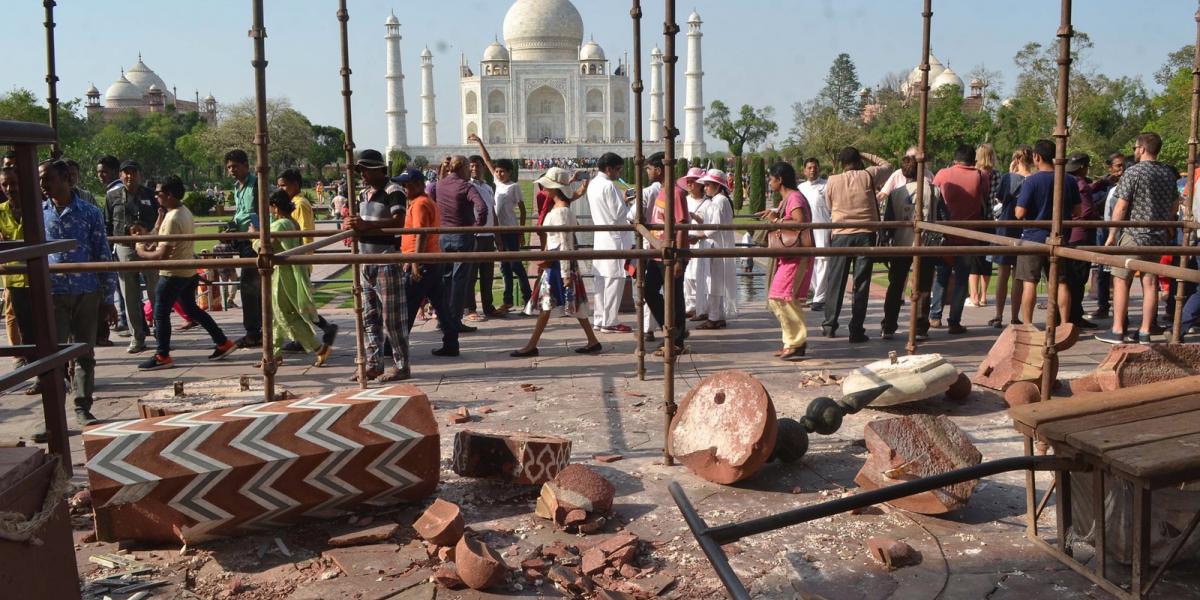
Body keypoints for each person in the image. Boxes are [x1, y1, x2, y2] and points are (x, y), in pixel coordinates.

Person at [38, 159, 119, 442]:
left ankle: (82, 407)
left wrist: (108, 298)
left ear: (66, 180)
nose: (43, 184)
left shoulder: (88, 212)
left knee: (84, 353)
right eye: (40, 179)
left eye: (48, 178)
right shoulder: (38, 213)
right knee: (53, 358)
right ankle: (53, 417)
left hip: (86, 291)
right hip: (53, 293)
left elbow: (102, 253)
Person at [135, 176, 238, 370]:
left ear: (169, 195)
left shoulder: (173, 218)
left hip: (173, 273)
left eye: (158, 193)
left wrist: (141, 250)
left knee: (160, 313)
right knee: (191, 310)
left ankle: (162, 355)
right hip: (187, 270)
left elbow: (162, 254)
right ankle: (222, 342)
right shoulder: (183, 211)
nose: (156, 196)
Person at [1099, 132, 1181, 344]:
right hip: (1157, 236)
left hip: (1134, 234)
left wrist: (1112, 233)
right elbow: (1175, 202)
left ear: (1143, 149)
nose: (1134, 151)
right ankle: (1145, 331)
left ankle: (1117, 329)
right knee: (1150, 282)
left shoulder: (1133, 172)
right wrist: (1169, 222)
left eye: (1136, 148)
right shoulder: (1167, 173)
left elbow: (1122, 204)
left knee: (1120, 279)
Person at [510, 169, 603, 357]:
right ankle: (592, 341)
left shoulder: (560, 211)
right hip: (562, 262)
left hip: (558, 264)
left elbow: (565, 243)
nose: (543, 187)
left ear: (554, 187)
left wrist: (565, 273)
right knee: (572, 303)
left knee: (547, 304)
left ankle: (531, 345)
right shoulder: (562, 206)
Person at [346, 149, 409, 381]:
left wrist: (365, 226)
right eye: (360, 170)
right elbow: (362, 224)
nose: (362, 174)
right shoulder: (364, 194)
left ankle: (402, 365)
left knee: (392, 319)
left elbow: (398, 221)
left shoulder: (394, 191)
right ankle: (374, 363)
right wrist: (355, 225)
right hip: (366, 260)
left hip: (386, 259)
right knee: (369, 317)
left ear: (379, 170)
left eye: (365, 170)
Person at [255, 189, 331, 367]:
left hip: (283, 277)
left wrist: (253, 236)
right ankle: (274, 353)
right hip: (288, 274)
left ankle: (319, 348)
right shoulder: (292, 222)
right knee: (275, 315)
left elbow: (263, 246)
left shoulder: (280, 225)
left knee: (285, 316)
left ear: (274, 207)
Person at [823, 147, 889, 343]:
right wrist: (866, 154)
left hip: (841, 234)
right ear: (858, 160)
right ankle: (856, 329)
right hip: (865, 234)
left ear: (842, 163)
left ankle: (829, 325)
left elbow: (829, 205)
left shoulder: (832, 180)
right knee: (861, 284)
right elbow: (887, 165)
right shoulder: (868, 175)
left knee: (836, 281)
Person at [1015, 139, 1081, 327]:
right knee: (1061, 282)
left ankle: (1028, 324)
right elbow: (1077, 211)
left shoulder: (1032, 181)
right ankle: (1064, 324)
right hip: (1059, 237)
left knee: (1030, 282)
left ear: (1036, 156)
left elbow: (1019, 213)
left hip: (1033, 238)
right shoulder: (1069, 180)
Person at [395, 168, 459, 356]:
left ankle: (395, 347)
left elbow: (421, 234)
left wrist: (414, 262)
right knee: (441, 305)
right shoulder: (422, 201)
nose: (404, 189)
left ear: (417, 184)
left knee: (407, 306)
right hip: (431, 260)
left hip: (422, 262)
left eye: (406, 185)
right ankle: (451, 343)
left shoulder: (421, 204)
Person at [881, 156, 945, 339]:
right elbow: (942, 217)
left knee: (895, 285)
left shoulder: (895, 193)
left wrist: (887, 241)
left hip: (902, 244)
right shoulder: (934, 191)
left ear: (902, 172)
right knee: (923, 287)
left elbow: (889, 223)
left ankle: (889, 325)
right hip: (926, 244)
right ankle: (919, 327)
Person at [276, 168, 338, 352]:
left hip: (298, 259)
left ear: (295, 185)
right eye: (279, 186)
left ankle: (324, 328)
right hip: (295, 258)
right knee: (295, 302)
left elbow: (304, 233)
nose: (281, 189)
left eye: (284, 186)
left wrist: (299, 256)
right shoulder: (291, 203)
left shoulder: (300, 204)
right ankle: (303, 337)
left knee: (298, 302)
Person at [468, 135, 531, 314]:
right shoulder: (495, 183)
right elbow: (487, 160)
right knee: (505, 267)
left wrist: (521, 232)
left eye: (503, 171)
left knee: (516, 266)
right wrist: (480, 142)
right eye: (497, 171)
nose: (499, 173)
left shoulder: (514, 186)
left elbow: (523, 210)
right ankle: (508, 301)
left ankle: (528, 299)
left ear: (509, 172)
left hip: (510, 230)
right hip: (498, 231)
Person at [104, 159, 160, 354]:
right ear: (120, 176)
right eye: (125, 172)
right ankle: (137, 337)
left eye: (133, 172)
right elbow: (108, 224)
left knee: (155, 291)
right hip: (124, 246)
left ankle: (161, 333)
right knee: (129, 295)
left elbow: (159, 218)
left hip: (149, 246)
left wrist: (149, 233)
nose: (129, 176)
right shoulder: (112, 197)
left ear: (139, 174)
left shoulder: (150, 195)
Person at [931, 143, 988, 335]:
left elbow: (934, 198)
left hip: (945, 235)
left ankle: (935, 316)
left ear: (955, 159)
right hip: (969, 235)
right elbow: (985, 199)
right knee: (962, 281)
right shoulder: (981, 176)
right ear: (973, 160)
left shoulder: (942, 174)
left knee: (941, 277)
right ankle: (954, 321)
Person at [761, 162, 813, 359]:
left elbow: (800, 222)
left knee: (783, 297)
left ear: (779, 179)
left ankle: (796, 342)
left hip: (797, 255)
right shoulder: (788, 198)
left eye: (771, 178)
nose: (769, 181)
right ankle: (791, 341)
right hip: (789, 255)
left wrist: (777, 220)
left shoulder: (794, 197)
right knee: (780, 298)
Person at [430, 155, 487, 335]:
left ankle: (443, 319)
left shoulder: (439, 185)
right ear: (461, 167)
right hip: (462, 236)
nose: (470, 171)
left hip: (443, 236)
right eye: (468, 167)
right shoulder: (465, 186)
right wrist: (476, 227)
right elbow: (482, 208)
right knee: (459, 280)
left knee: (445, 279)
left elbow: (431, 204)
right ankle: (454, 320)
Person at [584, 152, 634, 334]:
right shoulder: (609, 186)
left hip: (601, 236)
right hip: (614, 238)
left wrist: (622, 201)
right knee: (614, 280)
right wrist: (627, 203)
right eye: (618, 170)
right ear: (609, 168)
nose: (619, 174)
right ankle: (610, 321)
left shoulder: (593, 184)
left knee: (601, 281)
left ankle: (599, 319)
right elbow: (618, 215)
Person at [645, 165, 691, 355]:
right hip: (658, 252)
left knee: (674, 296)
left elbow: (681, 225)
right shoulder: (662, 192)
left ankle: (676, 340)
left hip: (671, 254)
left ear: (659, 169)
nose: (647, 171)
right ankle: (671, 329)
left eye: (649, 168)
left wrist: (679, 258)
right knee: (649, 290)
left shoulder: (676, 193)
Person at [989, 146, 1034, 328]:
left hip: (1006, 226)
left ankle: (998, 315)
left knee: (1002, 273)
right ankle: (1015, 316)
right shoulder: (1033, 179)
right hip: (1025, 227)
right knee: (1018, 276)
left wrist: (1010, 173)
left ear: (1015, 160)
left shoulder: (1008, 178)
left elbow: (1000, 197)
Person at [225, 149, 263, 348]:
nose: (232, 170)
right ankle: (257, 329)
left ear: (246, 165)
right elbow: (241, 213)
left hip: (255, 240)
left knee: (250, 287)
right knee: (252, 286)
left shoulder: (256, 184)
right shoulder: (237, 187)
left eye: (235, 166)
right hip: (242, 240)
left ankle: (253, 332)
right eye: (229, 167)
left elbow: (260, 212)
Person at [0, 167, 35, 373]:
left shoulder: (36, 208)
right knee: (25, 328)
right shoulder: (1, 210)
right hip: (14, 278)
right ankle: (34, 371)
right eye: (5, 184)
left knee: (46, 326)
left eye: (13, 183)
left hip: (38, 275)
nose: (10, 188)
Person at [693, 169, 737, 328]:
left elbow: (715, 227)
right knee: (715, 281)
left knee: (714, 282)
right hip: (715, 244)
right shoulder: (716, 200)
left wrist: (699, 236)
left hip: (717, 245)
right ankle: (718, 315)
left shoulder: (720, 201)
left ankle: (714, 317)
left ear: (718, 185)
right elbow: (709, 221)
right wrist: (695, 217)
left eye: (708, 185)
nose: (705, 188)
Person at [463, 154, 503, 321]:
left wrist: (497, 234)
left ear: (483, 167)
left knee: (487, 275)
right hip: (474, 235)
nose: (474, 168)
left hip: (487, 235)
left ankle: (488, 307)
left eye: (477, 165)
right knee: (470, 275)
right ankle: (469, 309)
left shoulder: (487, 187)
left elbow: (492, 211)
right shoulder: (466, 186)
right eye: (471, 166)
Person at [1064, 153, 1100, 329]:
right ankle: (1074, 316)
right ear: (1084, 167)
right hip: (1081, 236)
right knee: (1077, 281)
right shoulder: (1081, 185)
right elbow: (1085, 212)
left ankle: (1070, 315)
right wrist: (1098, 214)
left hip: (1071, 235)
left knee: (1071, 280)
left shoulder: (1066, 181)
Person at [968, 144, 998, 308]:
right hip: (991, 221)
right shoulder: (997, 175)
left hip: (976, 219)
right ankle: (984, 295)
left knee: (974, 259)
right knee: (987, 259)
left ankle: (974, 295)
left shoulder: (974, 174)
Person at [798, 158, 829, 311]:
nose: (812, 170)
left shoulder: (827, 185)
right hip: (806, 231)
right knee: (810, 262)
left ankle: (820, 298)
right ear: (804, 170)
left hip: (823, 228)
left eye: (815, 167)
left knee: (823, 261)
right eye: (809, 167)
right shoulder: (800, 188)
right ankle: (818, 294)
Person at [681, 167, 710, 321]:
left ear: (700, 184)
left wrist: (697, 219)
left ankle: (702, 308)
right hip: (686, 241)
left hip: (701, 242)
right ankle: (690, 306)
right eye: (688, 181)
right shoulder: (684, 200)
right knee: (686, 277)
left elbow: (710, 224)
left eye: (693, 181)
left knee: (700, 276)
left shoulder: (707, 203)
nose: (690, 184)